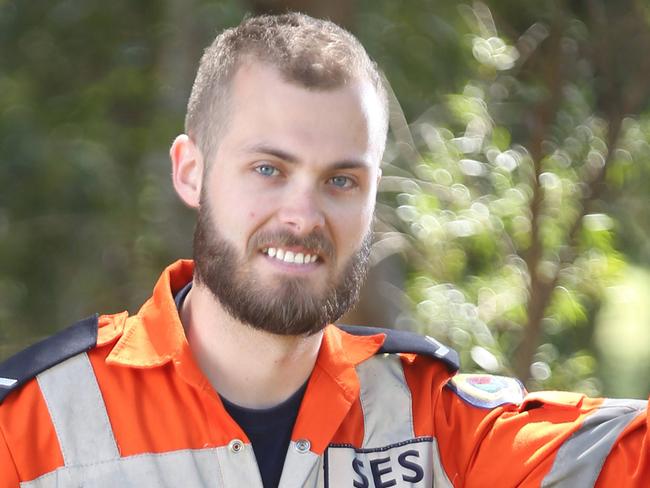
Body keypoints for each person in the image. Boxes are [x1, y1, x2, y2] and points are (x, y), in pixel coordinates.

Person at [0, 12, 647, 488]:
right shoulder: (31, 424)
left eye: (341, 179)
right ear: (190, 171)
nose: (303, 216)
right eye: (268, 170)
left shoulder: (440, 425)